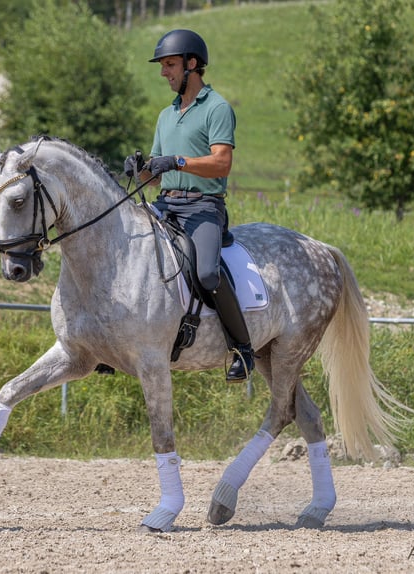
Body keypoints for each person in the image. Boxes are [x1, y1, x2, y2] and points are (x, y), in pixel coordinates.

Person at [125, 29, 255, 382]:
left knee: (207, 273)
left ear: (191, 64)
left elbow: (221, 164)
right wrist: (142, 170)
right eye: (163, 66)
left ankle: (242, 347)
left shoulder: (217, 108)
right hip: (166, 204)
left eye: (169, 65)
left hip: (203, 208)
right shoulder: (166, 116)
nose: (163, 72)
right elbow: (156, 175)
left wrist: (178, 162)